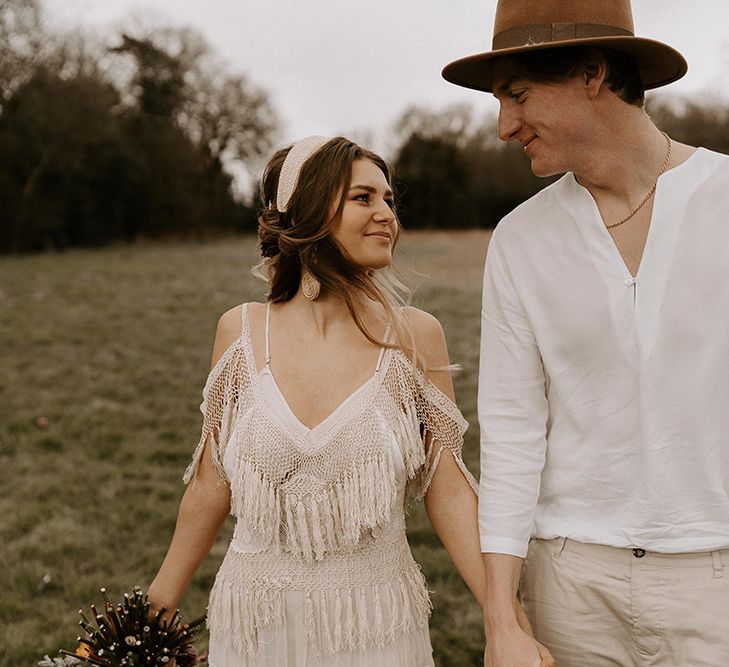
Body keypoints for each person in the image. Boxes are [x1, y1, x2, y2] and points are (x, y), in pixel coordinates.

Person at [145, 136, 554, 666]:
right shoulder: (240, 333)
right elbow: (209, 485)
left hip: (375, 625)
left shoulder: (414, 337)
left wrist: (510, 626)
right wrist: (148, 616)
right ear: (311, 210)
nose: (387, 214)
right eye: (364, 198)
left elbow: (448, 492)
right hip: (254, 623)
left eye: (389, 200)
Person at [442, 0, 729, 666]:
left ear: (592, 73)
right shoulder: (519, 240)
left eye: (516, 96)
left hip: (714, 580)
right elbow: (511, 434)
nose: (502, 125)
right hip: (569, 587)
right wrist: (500, 618)